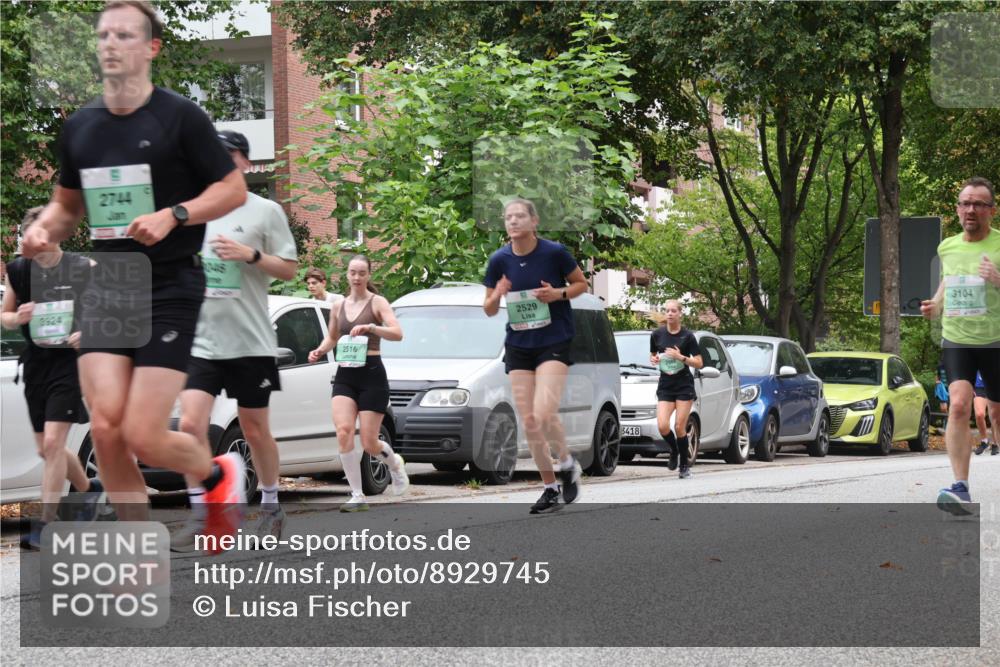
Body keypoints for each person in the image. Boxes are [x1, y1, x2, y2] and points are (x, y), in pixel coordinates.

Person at [19, 1, 248, 532]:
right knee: (104, 428)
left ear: (151, 48)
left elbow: (232, 188)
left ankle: (215, 475)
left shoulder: (180, 116)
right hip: (112, 282)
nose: (111, 44)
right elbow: (67, 204)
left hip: (169, 283)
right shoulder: (80, 126)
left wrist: (175, 215)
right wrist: (43, 230)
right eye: (104, 35)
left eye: (125, 35)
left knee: (143, 433)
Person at [171, 131, 299, 551]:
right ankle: (201, 509)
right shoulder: (193, 212)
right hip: (201, 339)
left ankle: (271, 504)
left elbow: (289, 270)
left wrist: (251, 256)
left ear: (245, 162)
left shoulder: (266, 211)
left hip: (250, 341)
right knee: (190, 424)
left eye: (228, 155)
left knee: (255, 429)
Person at [2, 208, 103, 549]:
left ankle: (46, 524)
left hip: (68, 363)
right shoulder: (19, 270)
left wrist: (86, 332)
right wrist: (18, 316)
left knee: (53, 445)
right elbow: (5, 317)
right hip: (35, 364)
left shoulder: (81, 268)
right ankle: (89, 491)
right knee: (46, 449)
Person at [483, 198, 589, 514]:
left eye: (519, 216)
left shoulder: (554, 253)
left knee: (543, 413)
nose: (513, 222)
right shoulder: (499, 260)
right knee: (529, 421)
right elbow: (487, 309)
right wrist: (497, 294)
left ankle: (567, 463)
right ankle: (550, 487)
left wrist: (557, 294)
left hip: (553, 340)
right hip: (519, 345)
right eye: (508, 217)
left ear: (534, 221)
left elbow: (581, 284)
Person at [920, 176, 1000, 515]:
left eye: (979, 204)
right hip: (958, 339)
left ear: (991, 211)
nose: (971, 209)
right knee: (958, 405)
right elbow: (949, 279)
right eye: (965, 203)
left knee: (996, 411)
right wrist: (936, 303)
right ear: (957, 209)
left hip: (996, 340)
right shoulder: (947, 246)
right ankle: (960, 488)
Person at [308, 255, 409, 511]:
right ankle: (357, 495)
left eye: (362, 273)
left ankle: (395, 464)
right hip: (346, 374)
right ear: (347, 274)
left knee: (369, 443)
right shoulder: (338, 306)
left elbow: (397, 333)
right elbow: (332, 337)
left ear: (368, 275)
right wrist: (319, 351)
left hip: (372, 373)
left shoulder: (378, 302)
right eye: (353, 272)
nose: (356, 277)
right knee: (343, 431)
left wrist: (372, 328)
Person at [649, 300, 704, 479]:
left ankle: (684, 466)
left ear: (680, 314)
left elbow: (699, 362)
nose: (670, 313)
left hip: (683, 386)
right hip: (666, 385)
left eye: (674, 311)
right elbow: (653, 355)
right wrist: (655, 360)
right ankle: (674, 450)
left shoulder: (688, 337)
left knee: (680, 426)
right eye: (667, 310)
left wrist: (681, 357)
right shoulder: (657, 335)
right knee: (663, 426)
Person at [973, 371, 998, 455]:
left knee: (995, 417)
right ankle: (984, 441)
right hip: (979, 386)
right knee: (979, 414)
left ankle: (996, 443)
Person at [934, 362, 950, 433]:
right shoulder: (940, 366)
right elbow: (937, 375)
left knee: (949, 408)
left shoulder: (952, 364)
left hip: (950, 388)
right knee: (943, 409)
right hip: (942, 389)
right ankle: (947, 420)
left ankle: (947, 424)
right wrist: (937, 381)